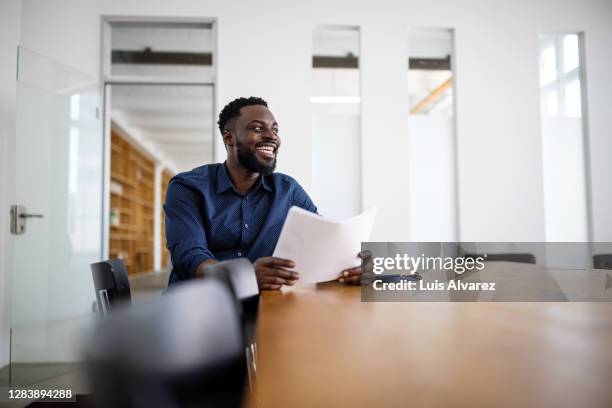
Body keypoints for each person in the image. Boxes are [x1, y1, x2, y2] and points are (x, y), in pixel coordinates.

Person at [165, 96, 365, 289]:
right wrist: (244, 276)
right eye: (258, 128)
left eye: (275, 129)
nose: (271, 136)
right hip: (199, 307)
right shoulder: (188, 187)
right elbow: (189, 256)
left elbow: (323, 242)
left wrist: (352, 267)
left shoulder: (288, 190)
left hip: (265, 307)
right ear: (229, 138)